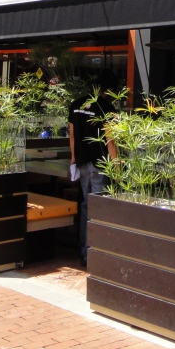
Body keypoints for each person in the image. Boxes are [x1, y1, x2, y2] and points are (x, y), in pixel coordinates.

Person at [69, 84, 117, 267]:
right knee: (99, 207)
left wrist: (74, 158)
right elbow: (110, 139)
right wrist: (116, 164)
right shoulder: (106, 108)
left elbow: (72, 136)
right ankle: (96, 253)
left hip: (82, 162)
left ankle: (85, 252)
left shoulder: (76, 104)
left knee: (86, 205)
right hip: (101, 163)